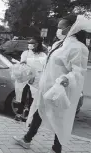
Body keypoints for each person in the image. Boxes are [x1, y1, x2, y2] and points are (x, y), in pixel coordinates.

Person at [13, 14, 90, 153]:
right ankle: (27, 139)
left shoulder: (79, 48)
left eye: (61, 27)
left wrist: (67, 79)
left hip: (58, 90)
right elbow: (48, 65)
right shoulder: (58, 44)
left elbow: (79, 71)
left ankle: (56, 148)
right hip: (45, 87)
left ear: (71, 28)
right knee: (39, 111)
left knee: (59, 118)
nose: (58, 30)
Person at [14, 37, 47, 122]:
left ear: (38, 44)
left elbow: (42, 67)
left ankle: (28, 116)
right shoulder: (25, 53)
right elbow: (23, 64)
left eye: (32, 43)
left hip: (36, 79)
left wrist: (31, 66)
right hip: (26, 78)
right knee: (22, 96)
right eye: (29, 43)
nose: (30, 45)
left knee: (33, 98)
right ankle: (19, 113)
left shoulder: (42, 55)